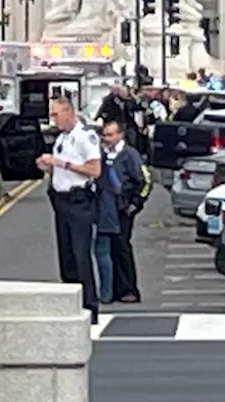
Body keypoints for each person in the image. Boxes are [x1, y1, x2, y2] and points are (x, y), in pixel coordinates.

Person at [37, 96, 102, 322]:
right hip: (61, 199)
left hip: (78, 201)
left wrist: (61, 164)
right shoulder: (62, 138)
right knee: (67, 257)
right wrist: (49, 168)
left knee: (81, 254)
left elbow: (94, 170)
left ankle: (90, 306)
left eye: (56, 114)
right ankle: (72, 302)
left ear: (68, 112)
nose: (53, 120)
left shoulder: (85, 137)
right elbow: (62, 172)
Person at [94, 120, 149, 303]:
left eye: (110, 135)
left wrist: (135, 203)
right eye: (104, 135)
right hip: (105, 207)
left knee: (122, 247)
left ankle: (129, 289)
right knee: (110, 249)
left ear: (120, 135)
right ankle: (114, 289)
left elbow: (145, 181)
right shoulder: (102, 155)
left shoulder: (129, 155)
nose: (106, 139)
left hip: (124, 208)